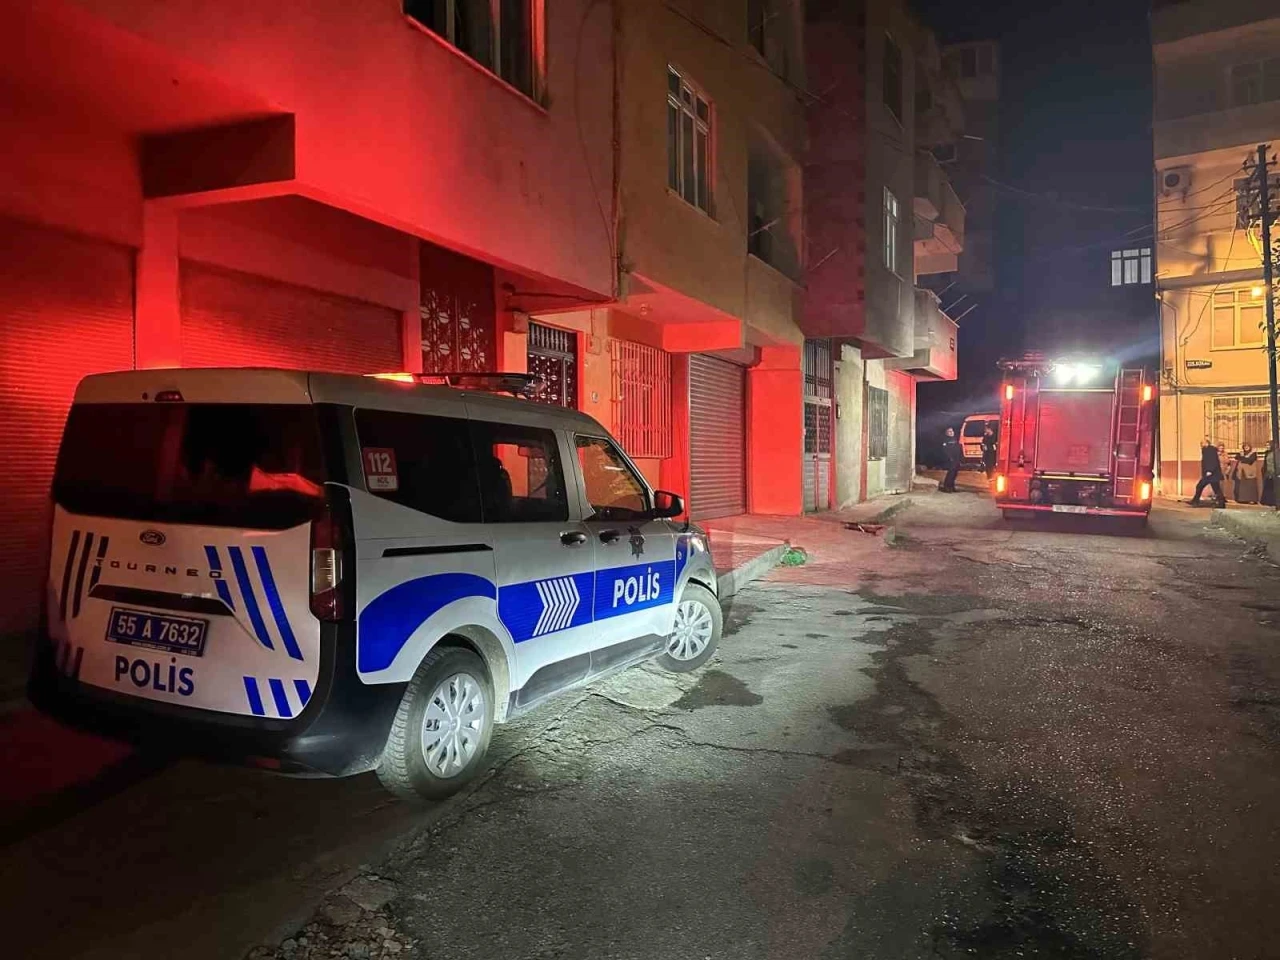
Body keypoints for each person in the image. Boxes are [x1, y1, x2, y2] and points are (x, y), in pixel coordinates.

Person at [1190, 437, 1226, 507]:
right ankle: (1195, 500)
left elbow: (1212, 461)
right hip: (1211, 474)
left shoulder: (1209, 450)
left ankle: (1195, 501)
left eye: (1202, 443)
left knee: (1202, 486)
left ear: (1207, 443)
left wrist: (1210, 470)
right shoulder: (1207, 450)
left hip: (1211, 474)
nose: (1201, 445)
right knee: (1212, 488)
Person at [940, 427, 962, 493]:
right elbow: (945, 450)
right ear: (946, 433)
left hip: (957, 459)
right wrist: (950, 458)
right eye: (949, 431)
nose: (951, 432)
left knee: (955, 473)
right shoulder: (945, 440)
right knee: (950, 473)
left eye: (952, 431)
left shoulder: (955, 439)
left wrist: (960, 458)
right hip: (951, 459)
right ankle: (946, 487)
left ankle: (952, 487)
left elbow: (958, 449)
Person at [1262, 441, 1276, 507]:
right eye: (1266, 445)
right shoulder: (1267, 453)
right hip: (1267, 472)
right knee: (1268, 487)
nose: (1267, 447)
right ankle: (1268, 501)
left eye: (1268, 445)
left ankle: (1274, 502)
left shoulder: (1276, 453)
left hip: (1274, 472)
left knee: (1274, 487)